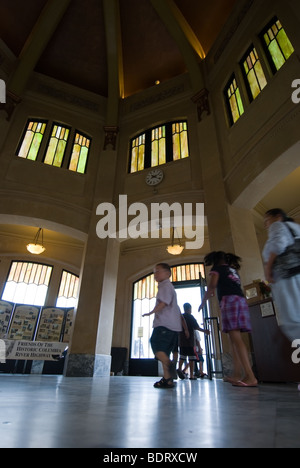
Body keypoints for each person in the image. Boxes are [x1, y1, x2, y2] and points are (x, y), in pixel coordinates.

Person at [198, 251, 258, 388]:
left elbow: (212, 287)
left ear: (215, 260)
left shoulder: (217, 269)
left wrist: (203, 302)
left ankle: (250, 376)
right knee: (233, 339)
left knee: (236, 339)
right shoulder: (232, 270)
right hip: (241, 301)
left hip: (229, 301)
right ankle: (237, 374)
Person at [262, 208, 300, 358]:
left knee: (293, 322)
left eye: (267, 220)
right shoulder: (296, 228)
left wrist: (268, 267)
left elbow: (278, 243)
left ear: (277, 217)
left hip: (288, 278)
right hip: (296, 276)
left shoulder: (277, 225)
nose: (266, 225)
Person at [142, 263, 182, 389]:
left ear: (167, 274)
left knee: (155, 343)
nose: (155, 274)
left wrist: (151, 312)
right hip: (173, 326)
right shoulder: (167, 286)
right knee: (164, 351)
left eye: (158, 271)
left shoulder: (165, 285)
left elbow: (164, 303)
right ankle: (167, 379)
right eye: (154, 272)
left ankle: (169, 365)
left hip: (165, 324)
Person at [177, 303, 209, 380]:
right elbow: (196, 327)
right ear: (189, 309)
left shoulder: (180, 317)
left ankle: (179, 369)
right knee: (191, 358)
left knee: (182, 357)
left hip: (181, 340)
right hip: (190, 341)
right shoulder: (190, 317)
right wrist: (205, 331)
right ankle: (191, 375)